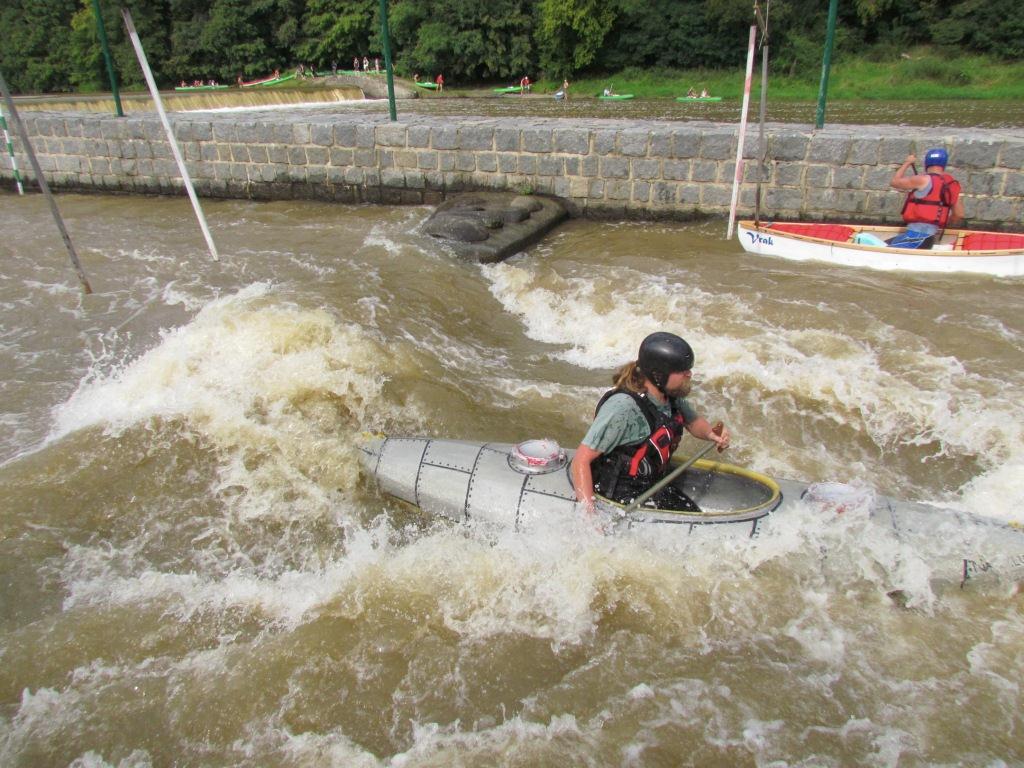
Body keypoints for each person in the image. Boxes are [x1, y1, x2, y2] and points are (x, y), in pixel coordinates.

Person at [571, 332, 730, 514]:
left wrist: (711, 434)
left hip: (650, 486)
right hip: (617, 494)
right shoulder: (623, 408)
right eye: (682, 370)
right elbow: (581, 460)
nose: (689, 374)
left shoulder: (669, 396)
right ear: (658, 375)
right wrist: (589, 517)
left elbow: (694, 423)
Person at [888, 147, 964, 248]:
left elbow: (894, 182)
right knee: (884, 244)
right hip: (928, 237)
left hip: (917, 237)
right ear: (943, 164)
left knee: (879, 249)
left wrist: (907, 162)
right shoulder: (951, 184)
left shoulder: (922, 179)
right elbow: (959, 214)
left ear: (926, 163)